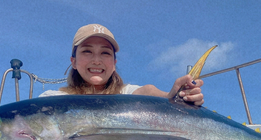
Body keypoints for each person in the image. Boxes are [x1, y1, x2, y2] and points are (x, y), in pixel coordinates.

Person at [40, 24, 204, 106]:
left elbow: (146, 91)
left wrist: (172, 96)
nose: (96, 60)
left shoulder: (126, 94)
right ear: (73, 62)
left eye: (105, 53)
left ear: (114, 64)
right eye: (87, 51)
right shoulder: (51, 101)